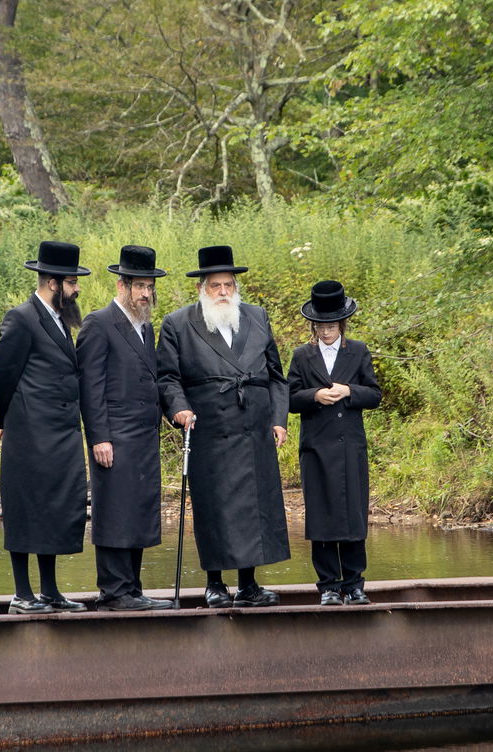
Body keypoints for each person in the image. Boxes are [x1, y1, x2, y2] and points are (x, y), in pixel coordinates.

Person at [157, 245, 290, 608]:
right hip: (209, 427)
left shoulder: (257, 317)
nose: (223, 292)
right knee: (214, 505)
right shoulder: (178, 323)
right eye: (215, 285)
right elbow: (167, 377)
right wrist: (179, 409)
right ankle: (215, 583)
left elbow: (278, 377)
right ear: (202, 288)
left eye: (228, 284)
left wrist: (279, 418)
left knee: (253, 503)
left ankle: (248, 583)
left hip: (254, 427)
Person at [0, 240, 91, 614]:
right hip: (29, 434)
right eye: (73, 282)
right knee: (25, 509)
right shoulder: (22, 318)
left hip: (61, 434)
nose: (77, 288)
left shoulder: (61, 321)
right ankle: (21, 594)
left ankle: (49, 590)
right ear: (52, 282)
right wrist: (8, 422)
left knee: (53, 509)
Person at [77, 245, 175, 611]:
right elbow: (90, 387)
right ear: (122, 285)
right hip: (114, 436)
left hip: (143, 436)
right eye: (139, 287)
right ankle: (114, 590)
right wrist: (99, 437)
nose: (146, 294)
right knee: (115, 510)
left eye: (150, 287)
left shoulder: (145, 326)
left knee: (136, 510)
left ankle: (132, 588)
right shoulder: (98, 323)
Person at [287, 281, 382, 606]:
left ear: (341, 324)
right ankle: (328, 586)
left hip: (350, 446)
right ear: (313, 326)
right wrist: (314, 395)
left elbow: (375, 395)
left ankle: (355, 584)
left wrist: (348, 392)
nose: (326, 332)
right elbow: (289, 398)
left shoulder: (358, 351)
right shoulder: (302, 355)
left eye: (331, 326)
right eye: (320, 326)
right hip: (316, 447)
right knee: (322, 515)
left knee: (353, 515)